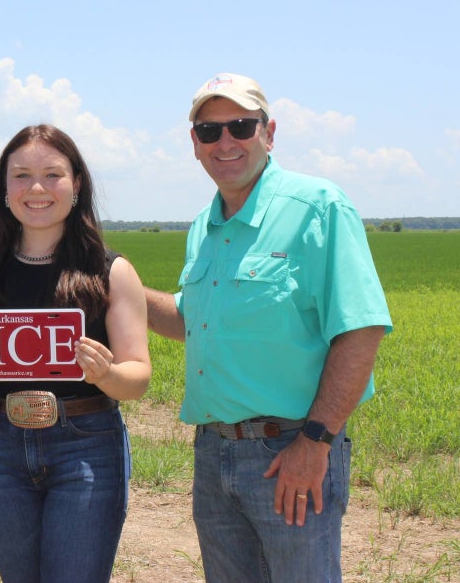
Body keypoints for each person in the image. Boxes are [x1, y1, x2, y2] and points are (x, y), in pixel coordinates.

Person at [144, 72, 393, 582]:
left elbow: (361, 328)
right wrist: (115, 287)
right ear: (194, 143)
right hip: (214, 453)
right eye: (209, 131)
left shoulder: (317, 208)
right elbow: (195, 320)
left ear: (269, 132)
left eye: (240, 125)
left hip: (290, 450)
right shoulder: (203, 227)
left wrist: (316, 442)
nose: (226, 141)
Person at [0, 124, 152, 583]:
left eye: (53, 174)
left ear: (77, 184)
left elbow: (138, 375)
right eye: (21, 175)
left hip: (87, 444)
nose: (37, 188)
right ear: (5, 190)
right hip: (1, 447)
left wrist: (105, 374)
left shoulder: (111, 271)